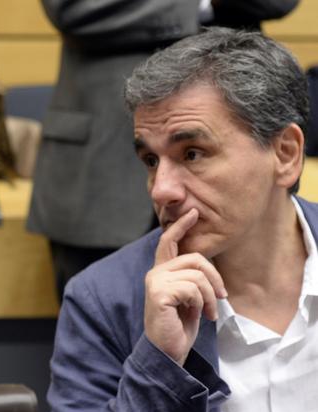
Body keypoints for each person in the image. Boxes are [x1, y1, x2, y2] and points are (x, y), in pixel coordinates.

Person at [43, 28, 313, 412]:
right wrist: (159, 364)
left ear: (284, 154)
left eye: (192, 153)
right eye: (151, 160)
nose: (162, 190)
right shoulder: (105, 299)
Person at [27, 0, 300, 300]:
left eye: (192, 153)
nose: (160, 190)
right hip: (101, 165)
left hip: (239, 127)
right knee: (103, 311)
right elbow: (72, 7)